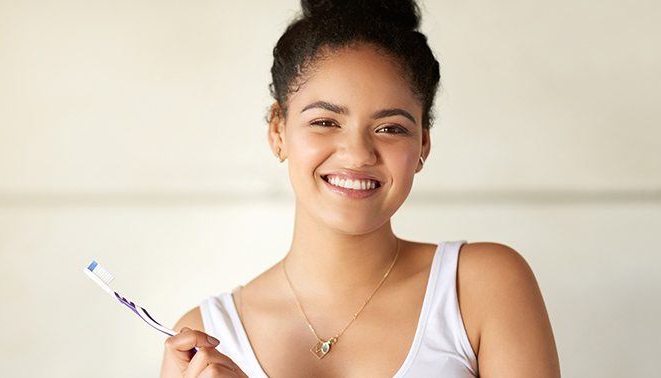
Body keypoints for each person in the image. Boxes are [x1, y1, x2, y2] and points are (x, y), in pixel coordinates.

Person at [160, 0, 560, 376]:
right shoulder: (204, 339)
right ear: (278, 130)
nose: (357, 154)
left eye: (390, 128)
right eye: (325, 122)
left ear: (422, 145)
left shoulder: (479, 286)